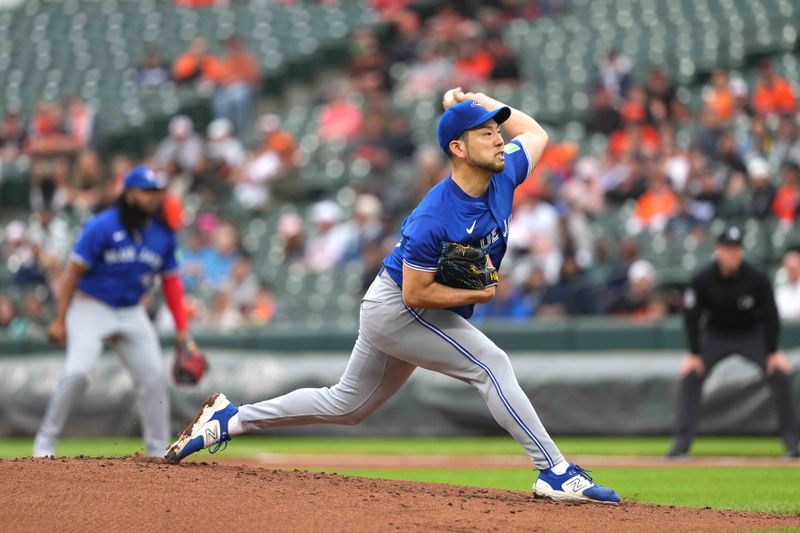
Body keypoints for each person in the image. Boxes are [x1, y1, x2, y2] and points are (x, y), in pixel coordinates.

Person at [165, 89, 620, 505]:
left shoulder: (505, 175)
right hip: (399, 308)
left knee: (347, 405)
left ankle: (231, 418)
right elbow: (416, 291)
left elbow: (536, 133)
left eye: (498, 131)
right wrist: (478, 289)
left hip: (406, 307)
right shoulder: (434, 216)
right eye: (486, 133)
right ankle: (554, 471)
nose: (500, 140)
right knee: (491, 364)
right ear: (457, 149)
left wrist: (481, 99)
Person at [33, 167, 196, 458]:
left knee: (154, 377)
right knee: (78, 372)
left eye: (157, 192)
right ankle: (44, 442)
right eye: (147, 192)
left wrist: (183, 330)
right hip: (90, 306)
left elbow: (172, 285)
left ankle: (158, 452)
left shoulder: (163, 235)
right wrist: (60, 318)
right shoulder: (102, 226)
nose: (153, 198)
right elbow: (72, 273)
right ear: (130, 193)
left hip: (131, 311)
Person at [668, 226, 799, 458]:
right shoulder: (703, 278)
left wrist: (772, 350)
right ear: (719, 250)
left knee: (780, 373)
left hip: (751, 334)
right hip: (716, 334)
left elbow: (771, 314)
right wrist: (694, 352)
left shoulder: (756, 277)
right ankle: (681, 444)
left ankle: (793, 443)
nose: (733, 254)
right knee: (690, 375)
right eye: (729, 249)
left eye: (737, 249)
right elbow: (691, 316)